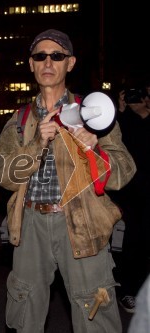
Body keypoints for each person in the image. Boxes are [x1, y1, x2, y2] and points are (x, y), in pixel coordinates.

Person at [0, 29, 136, 332]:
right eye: (39, 56)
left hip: (82, 223)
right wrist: (35, 146)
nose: (48, 61)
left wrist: (93, 148)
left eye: (56, 55)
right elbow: (2, 175)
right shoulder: (18, 120)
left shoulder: (93, 112)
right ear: (31, 64)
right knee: (25, 310)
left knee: (93, 311)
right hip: (30, 223)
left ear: (70, 63)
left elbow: (124, 171)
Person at [110, 83, 150, 313]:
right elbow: (116, 145)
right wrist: (123, 112)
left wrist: (144, 114)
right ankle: (128, 291)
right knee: (134, 242)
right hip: (133, 193)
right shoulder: (126, 122)